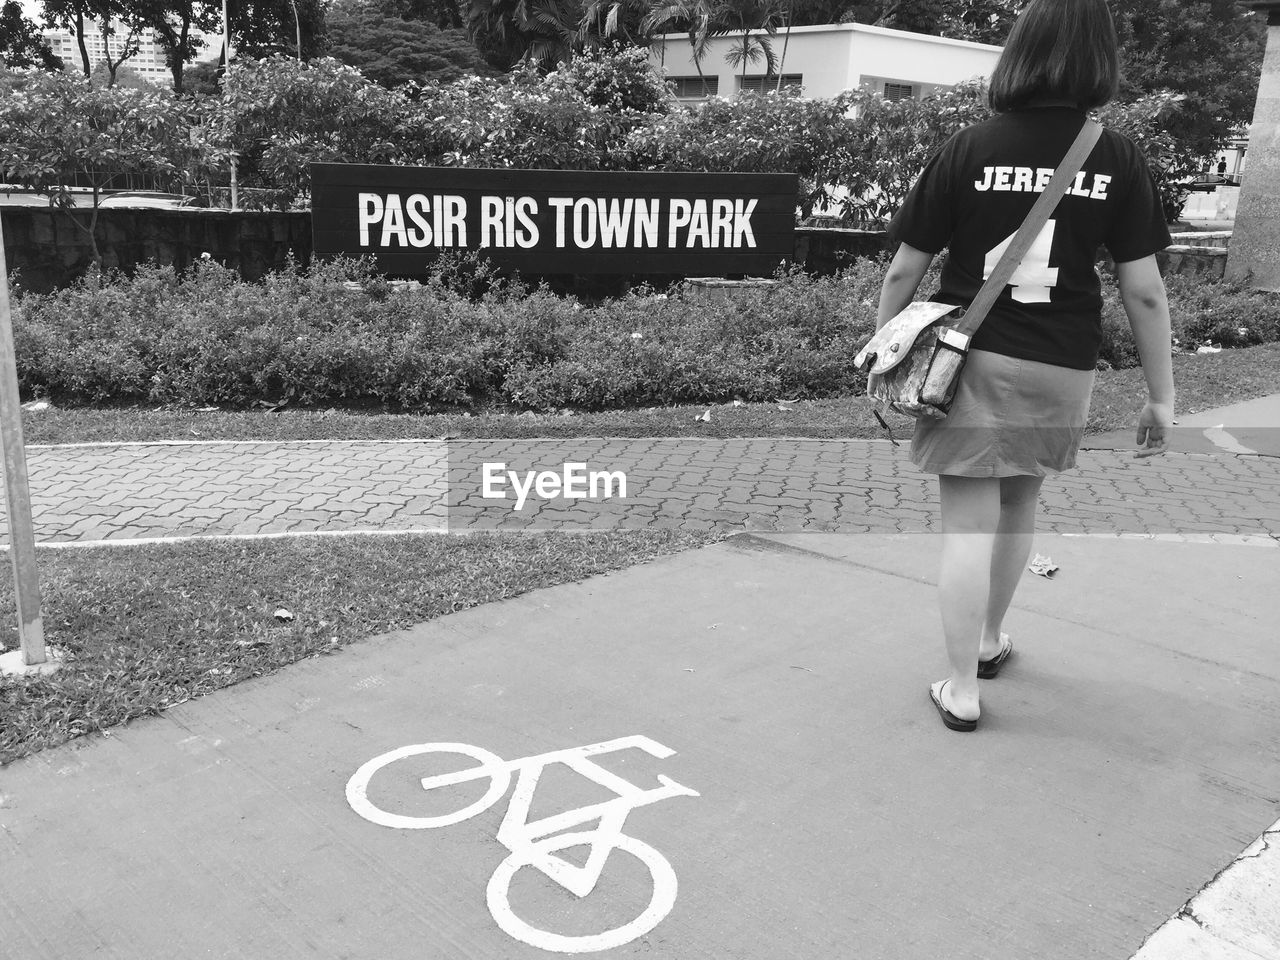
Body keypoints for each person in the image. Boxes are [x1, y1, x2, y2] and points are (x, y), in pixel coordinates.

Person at [873, 0, 1176, 731]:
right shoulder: (1116, 156)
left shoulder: (970, 147)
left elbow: (903, 271)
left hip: (966, 363)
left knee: (966, 525)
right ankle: (986, 643)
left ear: (1019, 52)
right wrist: (1162, 397)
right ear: (1098, 58)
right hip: (1060, 365)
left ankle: (961, 688)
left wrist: (885, 350)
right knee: (1017, 506)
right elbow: (1144, 290)